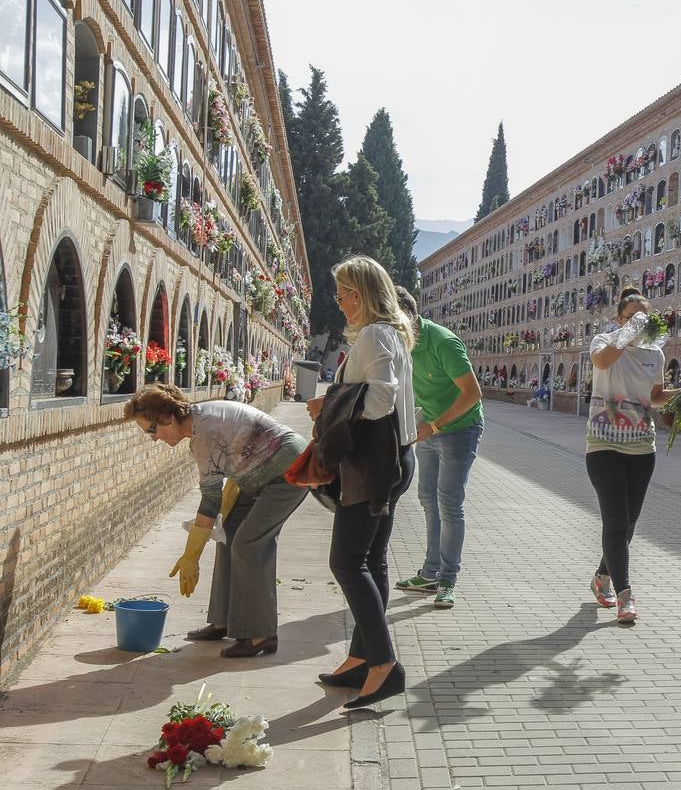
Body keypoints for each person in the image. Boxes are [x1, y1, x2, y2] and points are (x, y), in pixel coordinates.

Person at [305, 255, 418, 709]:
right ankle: (360, 657)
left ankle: (384, 664)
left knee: (347, 563)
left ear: (365, 293)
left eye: (346, 293)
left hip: (373, 465)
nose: (340, 302)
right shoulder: (390, 333)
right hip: (395, 459)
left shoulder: (374, 334)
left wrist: (330, 407)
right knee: (372, 560)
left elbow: (381, 398)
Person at [125, 383, 307, 658]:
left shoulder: (204, 434)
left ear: (168, 418)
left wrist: (191, 555)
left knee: (249, 545)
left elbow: (209, 502)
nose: (153, 438)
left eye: (152, 430)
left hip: (288, 473)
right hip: (256, 476)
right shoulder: (198, 420)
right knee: (228, 534)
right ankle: (222, 622)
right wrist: (195, 549)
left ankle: (261, 635)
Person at [585, 288, 681, 623]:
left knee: (628, 524)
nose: (640, 323)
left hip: (642, 447)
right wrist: (627, 333)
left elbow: (654, 397)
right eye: (632, 317)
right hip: (604, 445)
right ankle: (624, 594)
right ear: (619, 319)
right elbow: (602, 362)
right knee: (614, 521)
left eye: (645, 318)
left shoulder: (654, 355)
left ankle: (602, 576)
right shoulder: (603, 341)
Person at [391, 286, 485, 610]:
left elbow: (473, 393)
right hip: (431, 427)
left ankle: (448, 580)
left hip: (460, 429)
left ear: (407, 316)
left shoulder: (443, 342)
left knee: (449, 502)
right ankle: (430, 572)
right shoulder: (404, 346)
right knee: (427, 499)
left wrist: (433, 426)